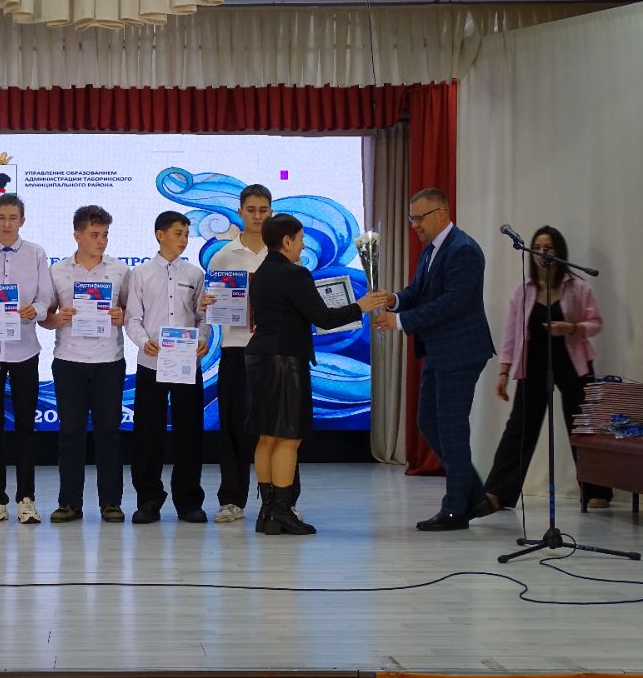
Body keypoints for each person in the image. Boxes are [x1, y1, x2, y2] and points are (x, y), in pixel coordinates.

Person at [247, 214, 384, 535]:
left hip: (258, 357)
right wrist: (361, 306)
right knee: (288, 437)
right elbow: (324, 318)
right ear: (286, 241)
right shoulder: (295, 273)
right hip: (284, 360)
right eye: (300, 239)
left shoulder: (262, 272)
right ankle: (282, 512)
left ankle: (267, 512)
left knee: (267, 437)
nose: (303, 245)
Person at [374, 188, 495, 531]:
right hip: (440, 351)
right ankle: (474, 494)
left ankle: (456, 509)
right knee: (429, 421)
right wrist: (395, 299)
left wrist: (400, 321)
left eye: (419, 218)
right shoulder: (432, 249)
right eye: (411, 218)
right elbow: (419, 291)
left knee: (452, 428)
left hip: (460, 351)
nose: (414, 224)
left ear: (442, 213)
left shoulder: (463, 250)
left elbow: (452, 304)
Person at [478, 226, 612, 512]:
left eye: (548, 247)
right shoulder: (523, 291)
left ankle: (596, 491)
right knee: (520, 427)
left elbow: (595, 323)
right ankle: (499, 492)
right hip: (534, 364)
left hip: (573, 364)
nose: (542, 252)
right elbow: (511, 335)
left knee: (583, 427)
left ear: (559, 251)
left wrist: (571, 328)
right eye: (537, 247)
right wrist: (503, 372)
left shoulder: (578, 288)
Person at [0, 194, 53, 526]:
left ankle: (26, 499)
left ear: (22, 221)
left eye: (12, 217)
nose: (6, 223)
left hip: (24, 349)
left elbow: (45, 297)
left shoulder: (36, 254)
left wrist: (37, 310)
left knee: (26, 428)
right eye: (1, 217)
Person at [41, 205, 129, 523]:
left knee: (109, 433)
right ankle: (69, 503)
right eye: (94, 234)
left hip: (109, 361)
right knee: (70, 433)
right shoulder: (57, 271)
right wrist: (57, 318)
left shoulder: (120, 270)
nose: (101, 241)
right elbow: (45, 318)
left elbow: (132, 312)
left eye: (105, 234)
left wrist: (121, 315)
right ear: (77, 235)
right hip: (69, 361)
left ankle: (111, 503)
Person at [124, 211, 210, 524]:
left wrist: (203, 339)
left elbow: (203, 317)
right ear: (160, 235)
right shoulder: (140, 274)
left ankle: (188, 501)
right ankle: (148, 499)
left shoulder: (195, 274)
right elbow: (133, 318)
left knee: (189, 432)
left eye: (186, 233)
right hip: (152, 362)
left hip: (186, 363)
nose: (183, 239)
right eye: (177, 233)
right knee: (148, 433)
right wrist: (143, 341)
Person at [199, 183, 272, 525]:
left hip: (273, 352)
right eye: (251, 210)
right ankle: (231, 500)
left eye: (263, 210)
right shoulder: (223, 256)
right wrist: (209, 304)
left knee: (278, 429)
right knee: (232, 428)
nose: (257, 216)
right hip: (235, 351)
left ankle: (280, 501)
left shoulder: (283, 251)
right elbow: (211, 307)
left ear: (270, 212)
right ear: (240, 212)